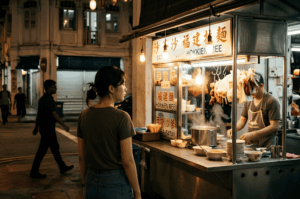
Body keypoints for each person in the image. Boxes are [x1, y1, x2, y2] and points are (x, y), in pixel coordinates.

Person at [77, 66, 141, 199]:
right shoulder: (122, 117)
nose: (126, 88)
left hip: (91, 182)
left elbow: (81, 157)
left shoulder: (84, 115)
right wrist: (137, 192)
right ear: (111, 88)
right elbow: (128, 161)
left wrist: (84, 184)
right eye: (123, 84)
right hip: (115, 184)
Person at [30, 80, 73, 178]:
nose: (56, 88)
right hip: (48, 129)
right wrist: (64, 125)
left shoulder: (42, 99)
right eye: (54, 87)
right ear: (49, 88)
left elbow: (39, 114)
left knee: (54, 148)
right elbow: (54, 115)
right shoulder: (49, 99)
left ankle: (62, 167)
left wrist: (36, 127)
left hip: (44, 128)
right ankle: (34, 172)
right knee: (42, 151)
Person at [227, 72, 280, 147]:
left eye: (253, 90)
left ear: (261, 86)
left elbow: (274, 127)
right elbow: (242, 120)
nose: (251, 93)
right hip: (251, 146)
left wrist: (252, 134)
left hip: (266, 147)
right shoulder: (249, 102)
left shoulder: (271, 102)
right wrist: (233, 129)